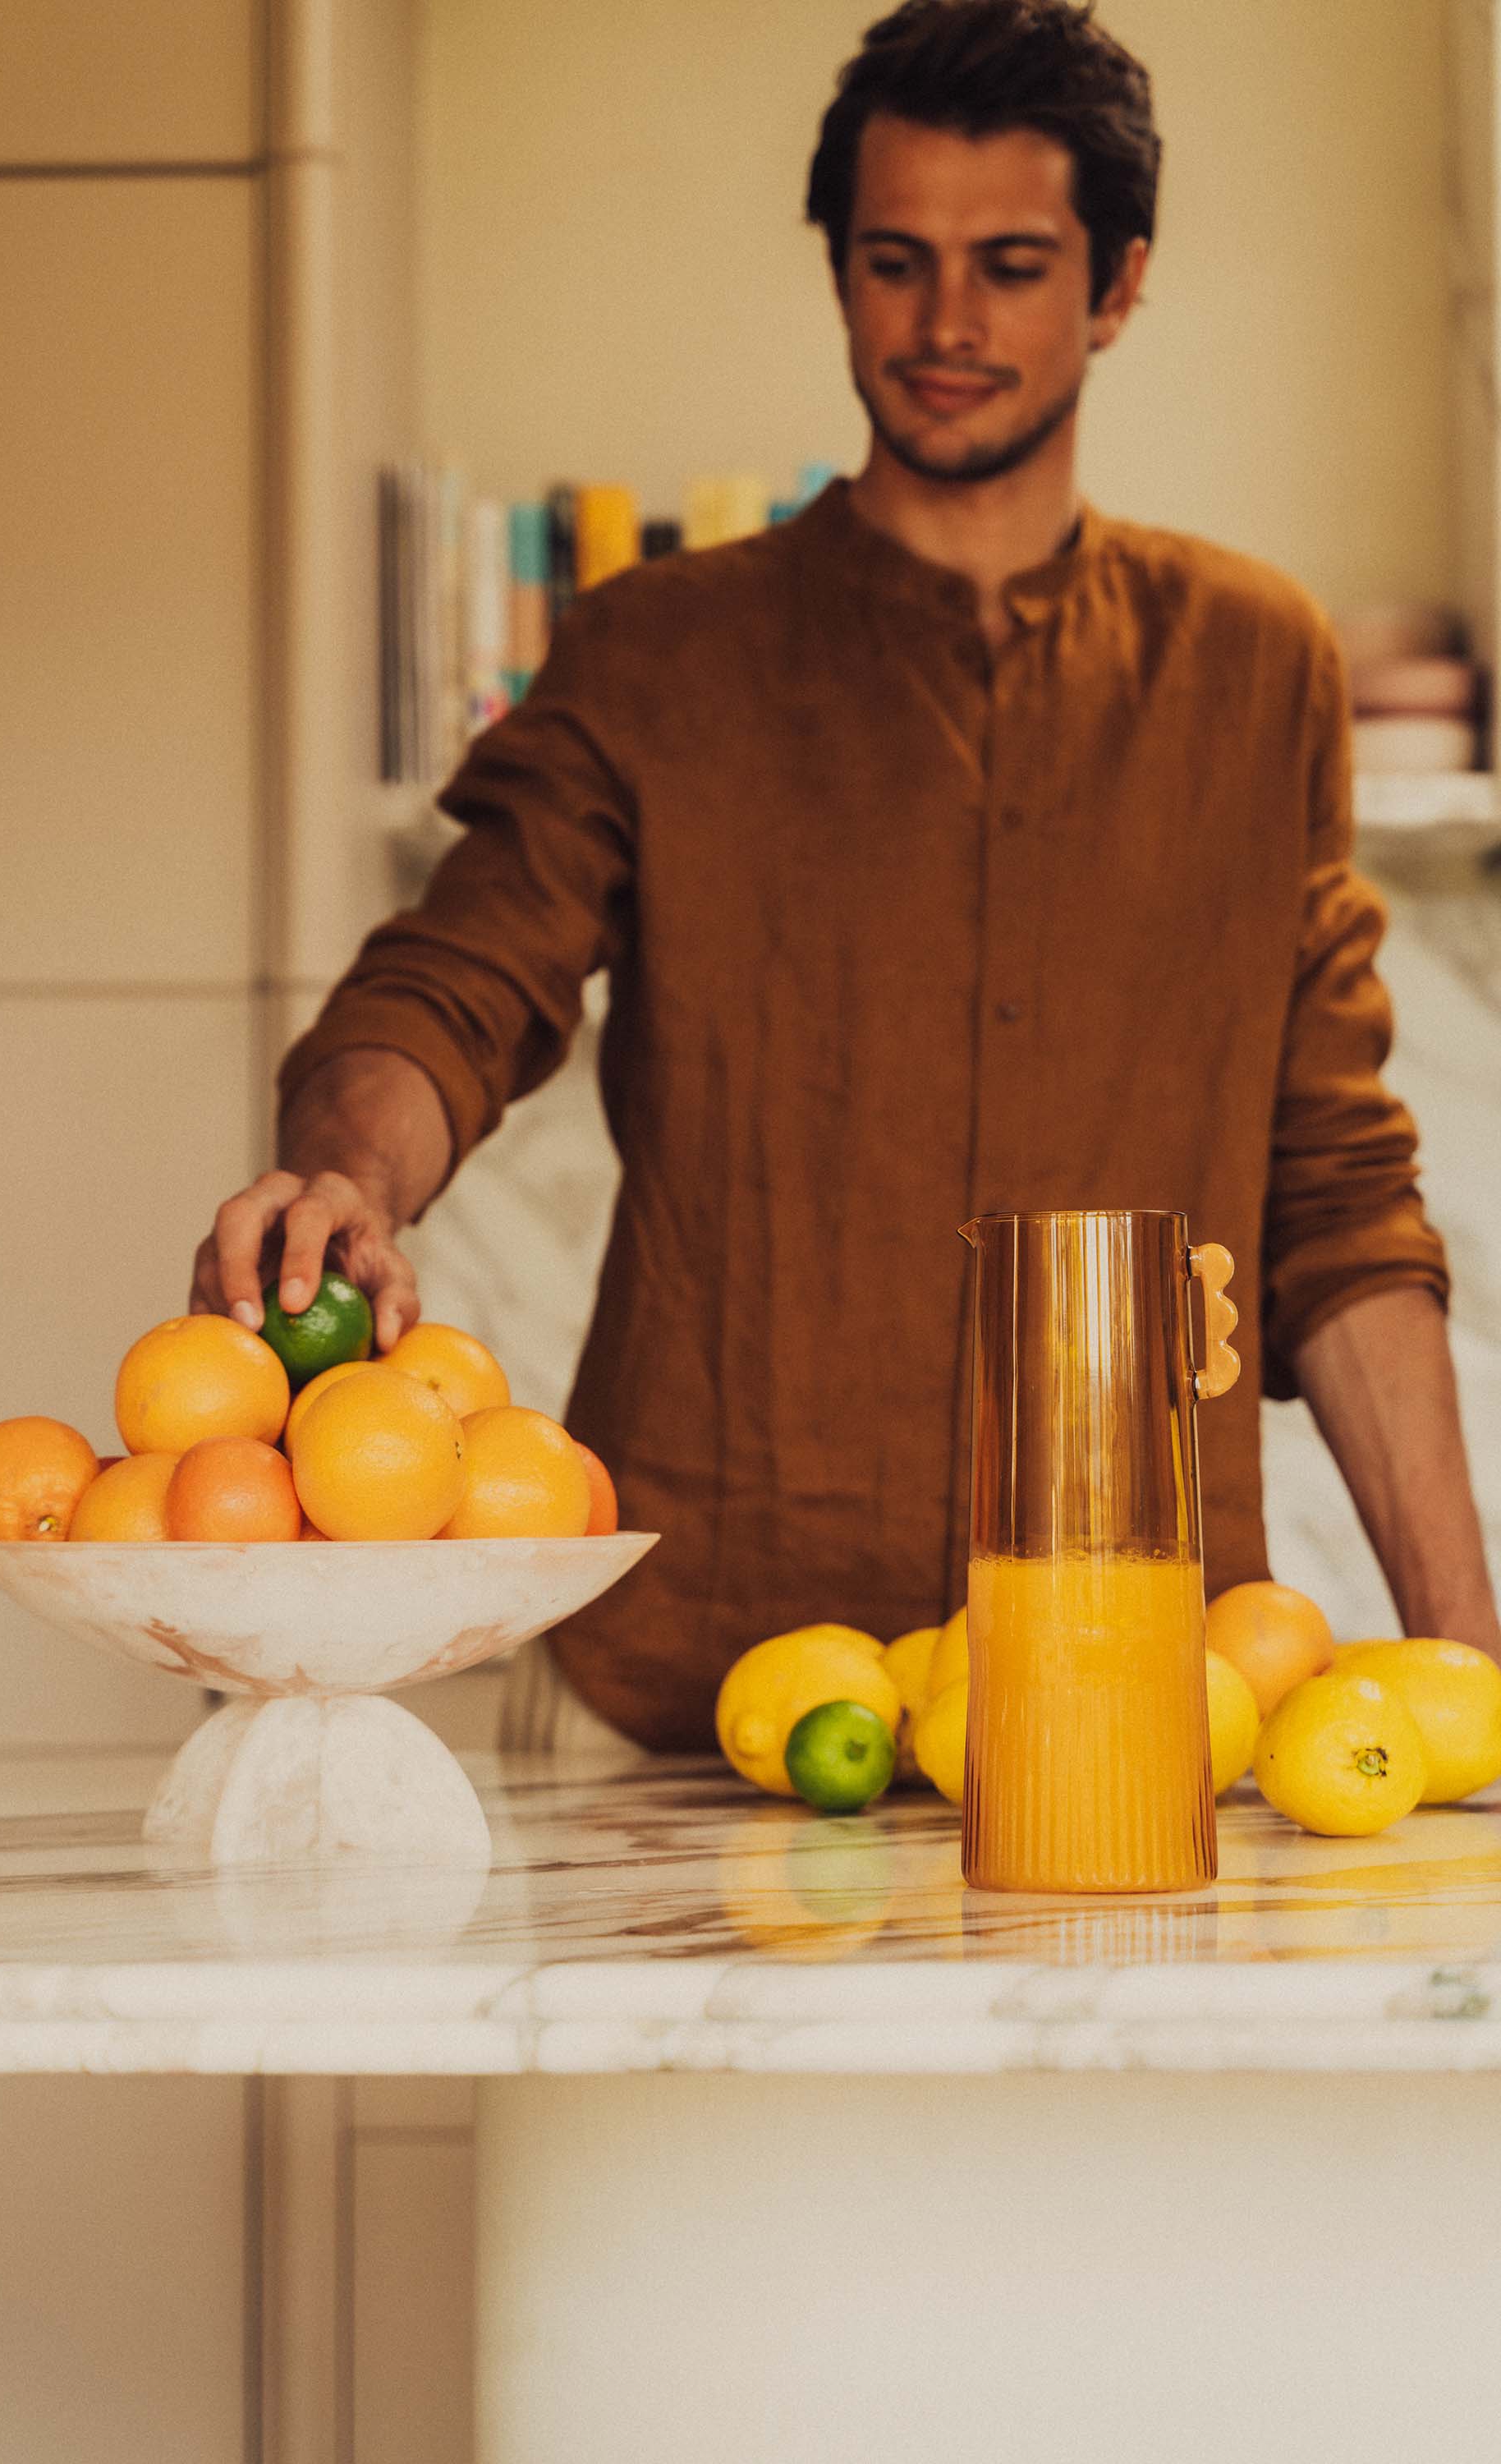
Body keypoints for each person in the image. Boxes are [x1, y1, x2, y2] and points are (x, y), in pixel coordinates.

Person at [192, 0, 1500, 1753]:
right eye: (895, 261)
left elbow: (1336, 1202)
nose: (947, 323)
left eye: (1013, 265)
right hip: (683, 1695)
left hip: (1126, 1711)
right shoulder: (659, 652)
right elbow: (461, 972)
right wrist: (345, 1175)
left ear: (1115, 287)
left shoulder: (1253, 669)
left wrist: (1467, 1679)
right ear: (839, 276)